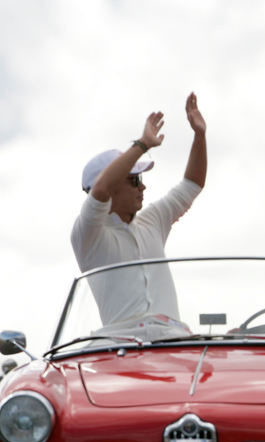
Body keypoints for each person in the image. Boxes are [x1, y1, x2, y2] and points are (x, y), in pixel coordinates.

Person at [71, 92, 208, 327]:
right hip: (119, 351)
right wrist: (142, 145)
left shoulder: (152, 221)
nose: (142, 186)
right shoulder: (88, 234)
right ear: (113, 186)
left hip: (171, 347)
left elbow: (192, 184)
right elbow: (101, 190)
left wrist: (200, 136)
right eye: (134, 180)